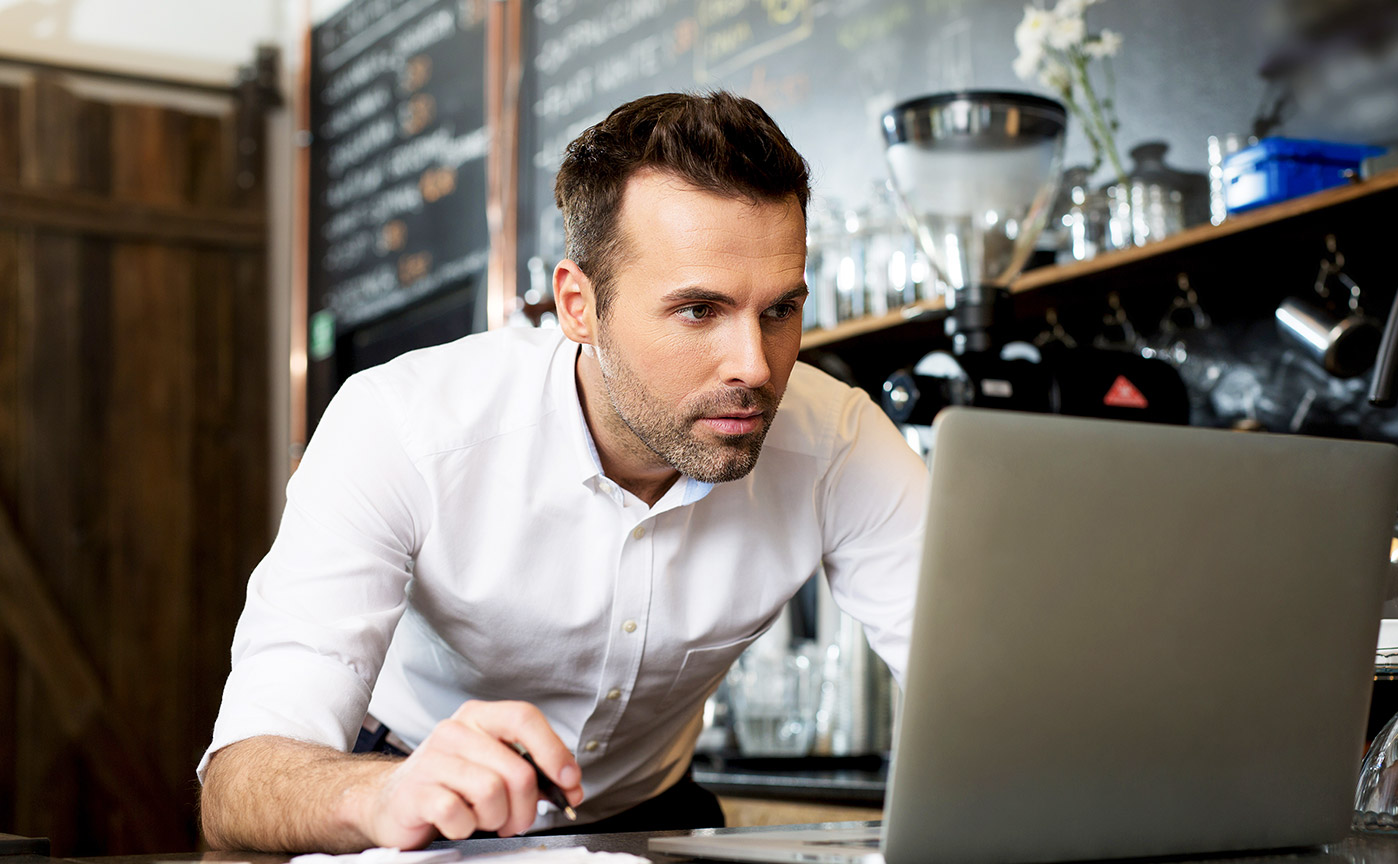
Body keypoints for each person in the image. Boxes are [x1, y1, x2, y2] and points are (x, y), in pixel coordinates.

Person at [198, 91, 927, 853]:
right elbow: (240, 782)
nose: (755, 366)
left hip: (649, 820)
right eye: (699, 311)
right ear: (578, 305)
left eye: (779, 310)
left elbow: (981, 691)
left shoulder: (837, 442)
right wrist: (380, 795)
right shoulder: (401, 427)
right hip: (410, 803)